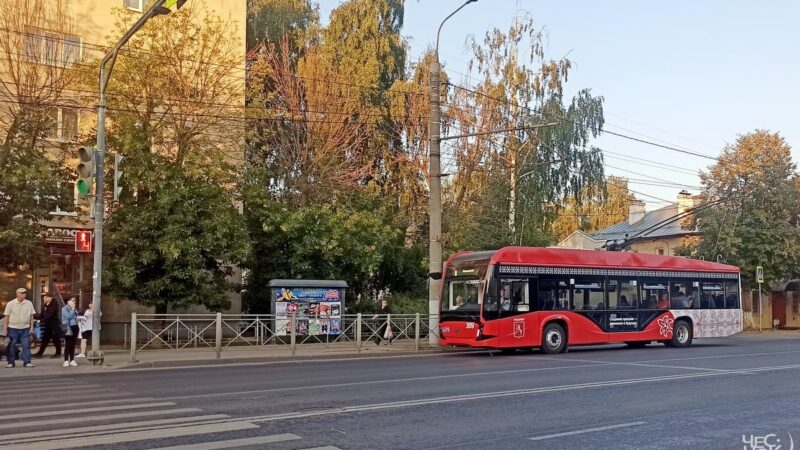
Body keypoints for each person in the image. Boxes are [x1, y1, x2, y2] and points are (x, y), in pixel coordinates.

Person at [4, 288, 36, 368]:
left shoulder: (29, 303)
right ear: (17, 294)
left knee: (26, 345)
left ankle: (27, 362)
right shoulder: (11, 303)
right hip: (13, 328)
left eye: (25, 293)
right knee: (11, 345)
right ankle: (11, 362)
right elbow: (6, 316)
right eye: (22, 293)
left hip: (25, 328)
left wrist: (31, 327)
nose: (24, 294)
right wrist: (5, 328)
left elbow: (31, 316)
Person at [34, 294, 62, 359]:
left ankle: (58, 353)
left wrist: (40, 321)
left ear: (49, 297)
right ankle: (40, 353)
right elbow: (43, 314)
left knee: (56, 340)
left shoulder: (54, 304)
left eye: (45, 298)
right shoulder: (46, 305)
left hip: (54, 325)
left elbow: (50, 315)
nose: (44, 299)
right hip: (48, 325)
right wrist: (36, 318)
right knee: (45, 339)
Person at [61, 297, 80, 367]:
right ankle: (66, 360)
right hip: (68, 327)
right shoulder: (64, 309)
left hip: (75, 326)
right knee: (68, 344)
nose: (74, 302)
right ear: (68, 301)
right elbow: (68, 317)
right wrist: (72, 309)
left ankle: (72, 359)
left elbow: (75, 316)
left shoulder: (75, 309)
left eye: (75, 300)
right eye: (73, 300)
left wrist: (79, 319)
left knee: (73, 344)